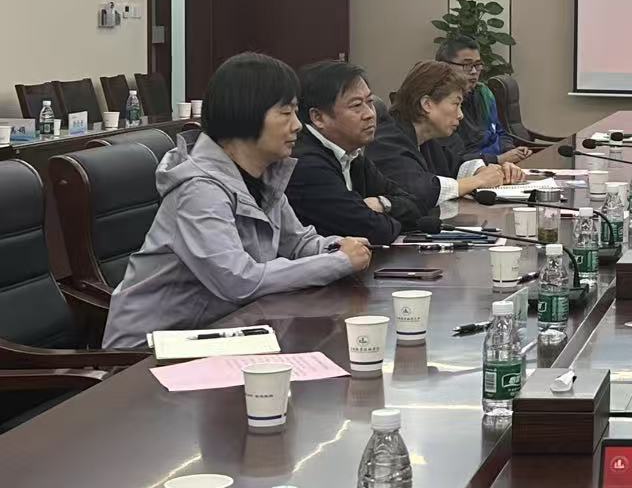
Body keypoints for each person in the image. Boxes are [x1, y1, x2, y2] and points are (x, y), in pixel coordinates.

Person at [103, 53, 370, 349]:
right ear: (246, 114)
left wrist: (339, 247)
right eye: (286, 113)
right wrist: (337, 262)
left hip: (224, 331)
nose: (297, 125)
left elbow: (298, 244)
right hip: (151, 350)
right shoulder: (199, 190)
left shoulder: (263, 176)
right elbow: (238, 281)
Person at [286, 60, 432, 246]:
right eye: (356, 105)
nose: (370, 114)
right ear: (318, 117)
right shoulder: (306, 164)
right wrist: (384, 216)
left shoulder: (352, 156)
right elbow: (375, 231)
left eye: (369, 102)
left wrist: (382, 204)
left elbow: (416, 205)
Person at [369, 60, 523, 211]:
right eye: (456, 104)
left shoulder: (426, 139)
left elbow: (456, 166)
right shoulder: (388, 140)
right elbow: (417, 190)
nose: (461, 115)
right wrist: (478, 181)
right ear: (427, 104)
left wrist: (485, 171)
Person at [437, 37, 531, 167]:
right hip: (474, 170)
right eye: (467, 65)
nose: (474, 71)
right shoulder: (441, 104)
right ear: (444, 66)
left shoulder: (484, 93)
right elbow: (454, 159)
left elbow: (500, 132)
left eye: (477, 65)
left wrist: (510, 150)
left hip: (501, 165)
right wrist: (497, 159)